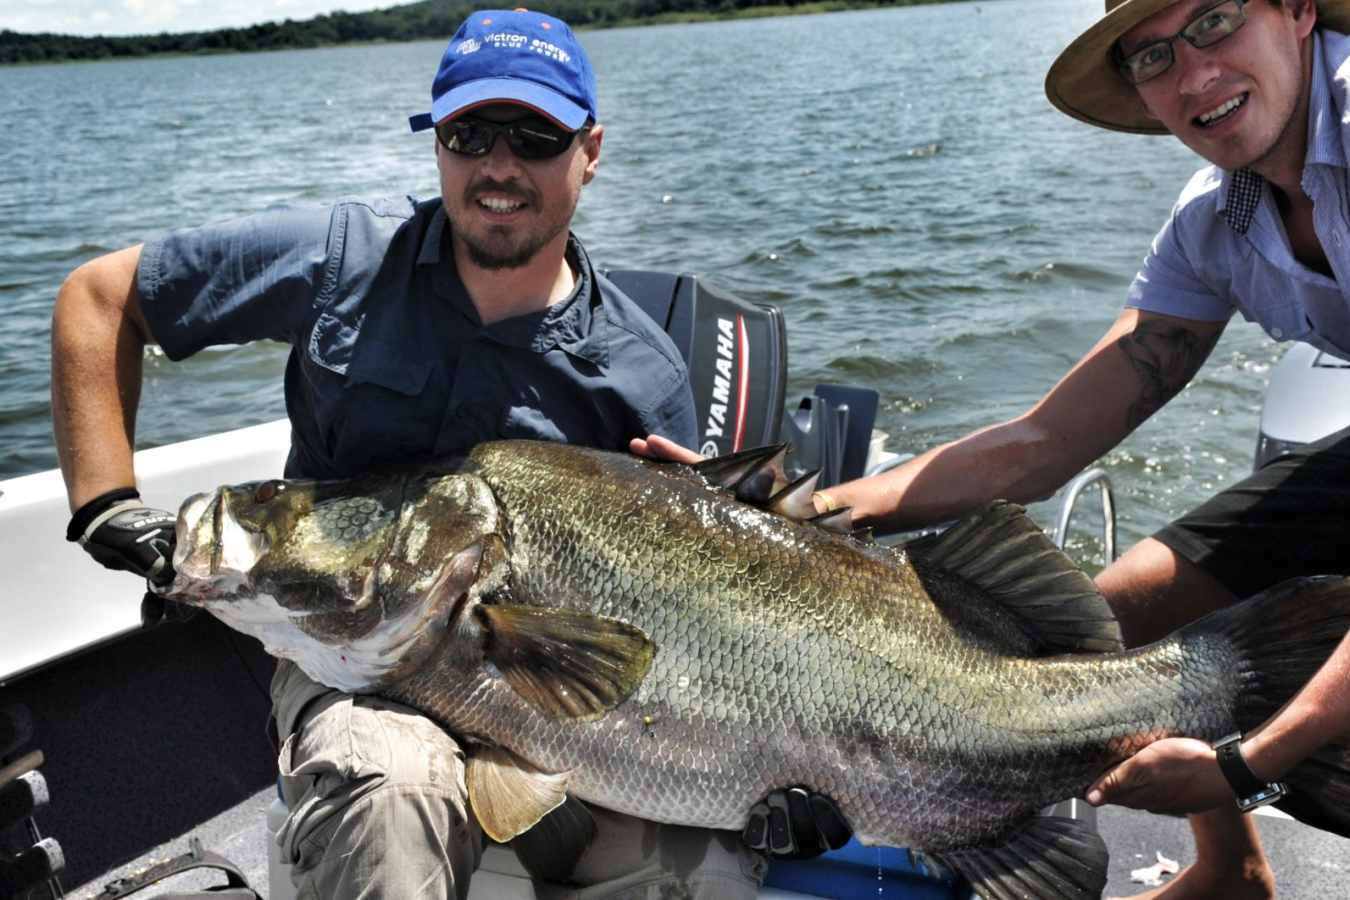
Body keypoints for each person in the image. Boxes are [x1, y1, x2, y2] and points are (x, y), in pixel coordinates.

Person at [51, 9, 846, 898]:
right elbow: (101, 299)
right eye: (470, 135)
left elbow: (683, 616)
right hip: (359, 666)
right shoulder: (341, 260)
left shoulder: (641, 373)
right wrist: (105, 504)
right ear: (437, 142)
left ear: (589, 150)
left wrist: (772, 777)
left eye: (534, 138)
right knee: (388, 788)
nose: (499, 166)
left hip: (562, 707)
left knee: (711, 869)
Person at [649, 0, 1350, 897]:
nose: (1194, 74)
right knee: (1104, 634)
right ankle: (1231, 872)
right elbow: (1044, 442)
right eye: (1152, 56)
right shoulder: (1213, 220)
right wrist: (797, 514)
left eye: (1215, 21)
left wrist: (1248, 764)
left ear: (1297, 9)